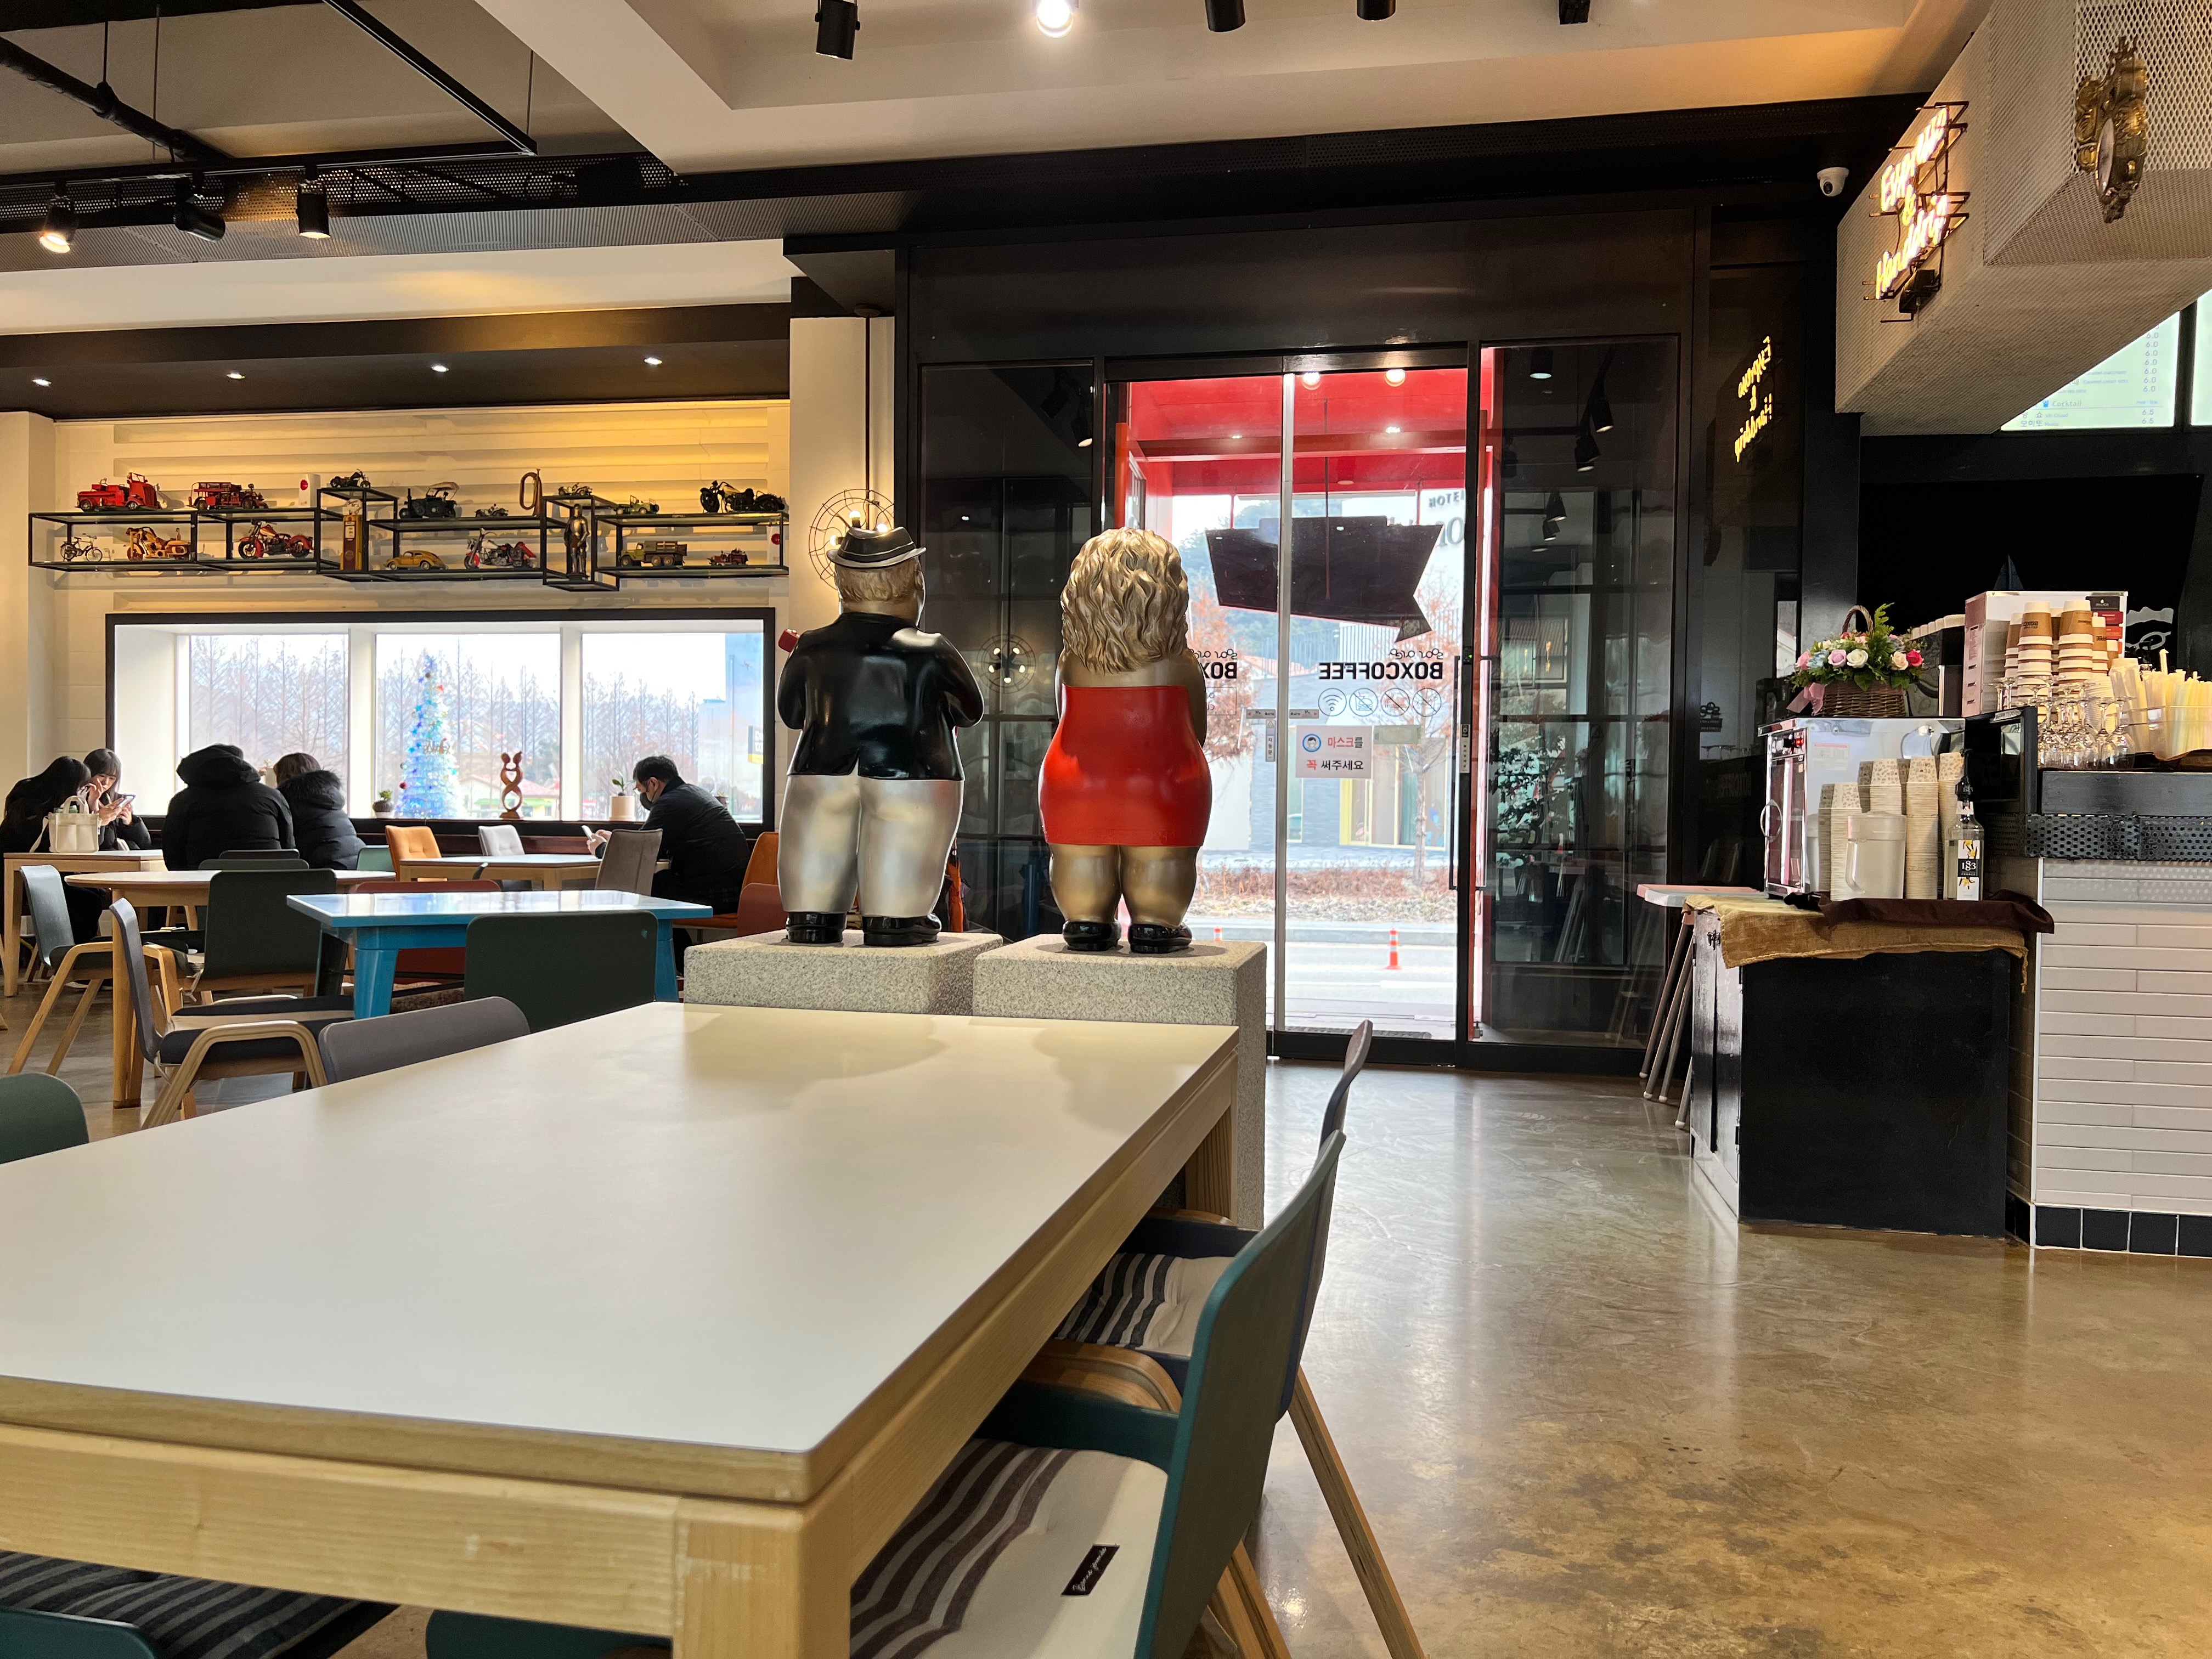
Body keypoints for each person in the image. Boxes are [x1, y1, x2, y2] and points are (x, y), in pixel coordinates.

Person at [774, 525, 984, 946]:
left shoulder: (811, 647)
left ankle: (811, 917)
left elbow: (791, 713)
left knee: (816, 840)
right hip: (913, 774)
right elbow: (970, 710)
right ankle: (895, 919)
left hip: (820, 767)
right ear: (913, 586)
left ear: (843, 587)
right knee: (904, 844)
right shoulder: (932, 650)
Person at [1039, 527, 1211, 955]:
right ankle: (1156, 922)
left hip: (1075, 780)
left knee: (1080, 855)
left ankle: (1086, 920)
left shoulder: (1070, 662)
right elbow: (1197, 729)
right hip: (1162, 778)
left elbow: (1064, 715)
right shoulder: (1182, 664)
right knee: (1162, 858)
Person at [589, 756, 751, 915]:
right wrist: (616, 841)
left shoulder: (668, 803)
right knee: (661, 881)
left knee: (641, 888)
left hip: (712, 893)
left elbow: (638, 854)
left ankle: (663, 935)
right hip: (735, 890)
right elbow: (650, 842)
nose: (642, 796)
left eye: (640, 789)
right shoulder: (695, 794)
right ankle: (676, 934)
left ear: (653, 783)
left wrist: (602, 848)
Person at [1, 756, 110, 939]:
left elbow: (88, 846)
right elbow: (46, 850)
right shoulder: (29, 810)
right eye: (82, 788)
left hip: (39, 874)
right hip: (17, 879)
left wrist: (93, 809)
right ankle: (71, 951)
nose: (81, 793)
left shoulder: (49, 807)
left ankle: (73, 949)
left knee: (94, 893)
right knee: (87, 900)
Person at [161, 744, 294, 872]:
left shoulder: (183, 801)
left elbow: (172, 853)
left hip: (204, 881)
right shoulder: (273, 796)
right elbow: (288, 846)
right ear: (241, 764)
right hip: (269, 878)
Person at [272, 752, 363, 870]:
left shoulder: (289, 799)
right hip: (360, 862)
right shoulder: (331, 795)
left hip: (328, 866)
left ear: (283, 776)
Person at [83, 748, 152, 851]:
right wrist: (98, 818)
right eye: (102, 776)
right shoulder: (78, 801)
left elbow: (145, 843)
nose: (106, 783)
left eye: (112, 778)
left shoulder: (116, 800)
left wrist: (130, 823)